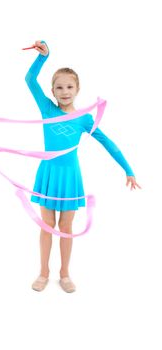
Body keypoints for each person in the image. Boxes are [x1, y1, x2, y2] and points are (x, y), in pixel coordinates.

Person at [25, 40, 141, 293]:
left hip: (70, 177)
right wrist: (44, 57)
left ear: (77, 89)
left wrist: (128, 169)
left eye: (69, 86)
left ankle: (64, 274)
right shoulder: (46, 109)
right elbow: (29, 80)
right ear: (52, 92)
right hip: (49, 173)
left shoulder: (84, 119)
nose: (64, 91)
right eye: (59, 87)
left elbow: (108, 143)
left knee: (66, 227)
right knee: (47, 226)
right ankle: (43, 272)